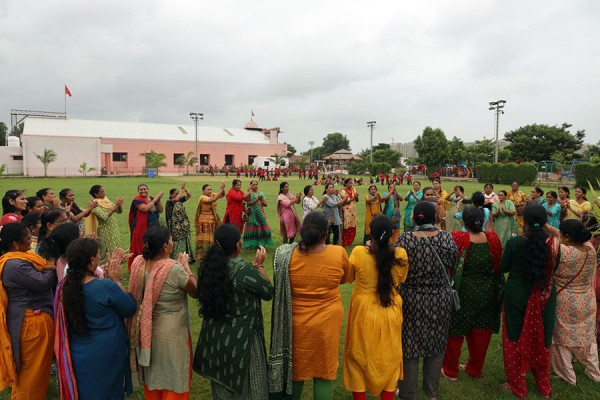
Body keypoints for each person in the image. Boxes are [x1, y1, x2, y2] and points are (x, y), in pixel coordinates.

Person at [270, 212, 349, 400]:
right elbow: (346, 278)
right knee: (324, 374)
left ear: (302, 230)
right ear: (326, 233)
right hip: (327, 324)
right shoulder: (338, 253)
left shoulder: (285, 254)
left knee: (295, 373)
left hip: (296, 324)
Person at [194, 224, 273, 398]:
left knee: (223, 389)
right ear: (238, 245)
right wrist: (259, 266)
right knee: (252, 387)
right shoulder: (244, 271)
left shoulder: (208, 268)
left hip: (217, 339)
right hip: (243, 341)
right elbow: (268, 291)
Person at [54, 240, 135, 399]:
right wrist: (116, 281)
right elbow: (129, 308)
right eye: (99, 254)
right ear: (91, 260)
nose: (100, 258)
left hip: (79, 353)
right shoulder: (104, 286)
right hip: (107, 352)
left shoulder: (65, 286)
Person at [394, 202, 458, 400]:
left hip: (411, 298)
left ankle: (408, 393)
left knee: (409, 346)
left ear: (414, 217)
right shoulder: (447, 239)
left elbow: (394, 266)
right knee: (437, 345)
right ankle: (431, 393)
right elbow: (454, 263)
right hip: (440, 298)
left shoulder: (405, 240)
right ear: (435, 218)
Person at [127, 226, 198, 399]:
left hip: (147, 333)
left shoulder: (138, 262)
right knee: (174, 375)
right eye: (171, 240)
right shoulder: (173, 269)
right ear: (165, 247)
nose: (173, 243)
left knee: (154, 375)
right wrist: (186, 267)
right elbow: (196, 292)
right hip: (172, 333)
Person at [343, 215, 409, 400]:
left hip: (363, 311)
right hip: (390, 308)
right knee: (390, 357)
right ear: (391, 234)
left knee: (358, 357)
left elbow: (348, 277)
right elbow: (401, 279)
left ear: (370, 233)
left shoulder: (358, 252)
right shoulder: (400, 254)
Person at [500, 204, 560, 398]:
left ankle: (517, 384)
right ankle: (543, 386)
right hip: (545, 295)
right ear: (545, 222)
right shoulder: (554, 245)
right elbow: (555, 266)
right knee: (542, 337)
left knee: (515, 336)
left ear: (523, 221)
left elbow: (503, 267)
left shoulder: (514, 242)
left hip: (517, 293)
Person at [441, 207, 503, 381]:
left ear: (464, 222)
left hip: (463, 291)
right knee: (481, 331)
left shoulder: (459, 237)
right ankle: (474, 369)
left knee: (455, 330)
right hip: (487, 291)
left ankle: (450, 370)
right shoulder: (492, 239)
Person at [0, 222, 57, 399]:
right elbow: (42, 282)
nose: (30, 242)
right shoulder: (15, 264)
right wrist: (49, 265)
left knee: (37, 371)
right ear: (15, 244)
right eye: (26, 239)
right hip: (30, 323)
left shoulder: (21, 259)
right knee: (31, 373)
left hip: (31, 320)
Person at [547, 220, 600, 385]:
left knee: (560, 339)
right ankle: (594, 372)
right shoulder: (590, 249)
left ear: (568, 237)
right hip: (587, 300)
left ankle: (567, 376)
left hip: (566, 302)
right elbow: (566, 236)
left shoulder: (562, 252)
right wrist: (547, 227)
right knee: (586, 337)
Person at [87, 185, 125, 265]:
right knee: (106, 252)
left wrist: (119, 204)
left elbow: (119, 211)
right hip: (104, 231)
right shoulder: (94, 205)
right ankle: (103, 272)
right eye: (102, 191)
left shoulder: (105, 200)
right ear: (96, 194)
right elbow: (104, 217)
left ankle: (115, 270)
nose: (104, 193)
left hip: (113, 229)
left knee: (115, 249)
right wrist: (116, 205)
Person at [128, 184, 163, 269]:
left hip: (154, 226)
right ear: (138, 191)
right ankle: (139, 266)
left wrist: (158, 200)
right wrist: (155, 200)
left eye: (145, 189)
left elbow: (161, 210)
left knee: (154, 244)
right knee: (141, 246)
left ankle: (153, 263)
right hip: (141, 228)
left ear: (148, 189)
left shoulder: (151, 198)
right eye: (141, 190)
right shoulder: (137, 200)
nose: (143, 191)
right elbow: (144, 209)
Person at [195, 182, 226, 260]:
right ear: (203, 191)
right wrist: (221, 189)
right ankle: (203, 254)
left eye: (211, 189)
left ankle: (212, 252)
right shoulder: (203, 197)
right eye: (208, 190)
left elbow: (221, 195)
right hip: (204, 221)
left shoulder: (211, 194)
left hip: (212, 220)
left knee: (212, 236)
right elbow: (213, 199)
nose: (210, 191)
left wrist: (223, 188)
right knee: (205, 237)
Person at [166, 183, 195, 262]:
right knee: (176, 240)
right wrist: (181, 192)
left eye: (178, 193)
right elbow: (175, 200)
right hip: (174, 225)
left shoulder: (180, 199)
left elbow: (189, 196)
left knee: (184, 238)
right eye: (176, 194)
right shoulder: (169, 201)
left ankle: (185, 256)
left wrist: (184, 190)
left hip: (182, 224)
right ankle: (176, 257)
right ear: (171, 195)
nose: (178, 195)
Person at [242, 180, 274, 249]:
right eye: (253, 185)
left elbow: (266, 204)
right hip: (252, 213)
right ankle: (252, 244)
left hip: (260, 213)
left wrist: (261, 199)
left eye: (256, 184)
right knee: (253, 229)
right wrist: (257, 199)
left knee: (262, 228)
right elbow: (248, 203)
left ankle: (261, 243)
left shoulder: (261, 193)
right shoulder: (249, 193)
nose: (255, 186)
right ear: (250, 186)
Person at [340, 178, 359, 247]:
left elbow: (356, 200)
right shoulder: (343, 191)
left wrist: (356, 197)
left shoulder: (354, 189)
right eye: (349, 183)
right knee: (346, 226)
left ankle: (350, 241)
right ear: (346, 184)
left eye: (352, 183)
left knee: (352, 225)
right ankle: (345, 242)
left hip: (353, 210)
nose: (351, 184)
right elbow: (344, 202)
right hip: (346, 210)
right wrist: (353, 198)